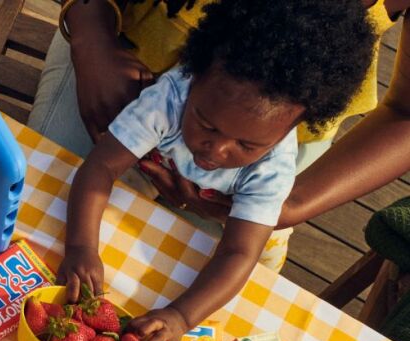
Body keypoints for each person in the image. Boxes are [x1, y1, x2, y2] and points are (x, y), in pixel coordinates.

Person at [60, 0, 375, 341]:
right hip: (157, 166)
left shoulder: (274, 165)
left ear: (294, 127)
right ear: (193, 76)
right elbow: (100, 168)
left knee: (249, 292)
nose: (217, 150)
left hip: (242, 225)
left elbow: (239, 251)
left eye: (246, 144)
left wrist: (181, 316)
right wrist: (81, 248)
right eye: (207, 124)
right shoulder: (170, 96)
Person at [31, 0, 410, 249]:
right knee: (38, 221)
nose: (215, 149)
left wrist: (291, 203)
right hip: (112, 58)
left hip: (273, 142)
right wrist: (91, 35)